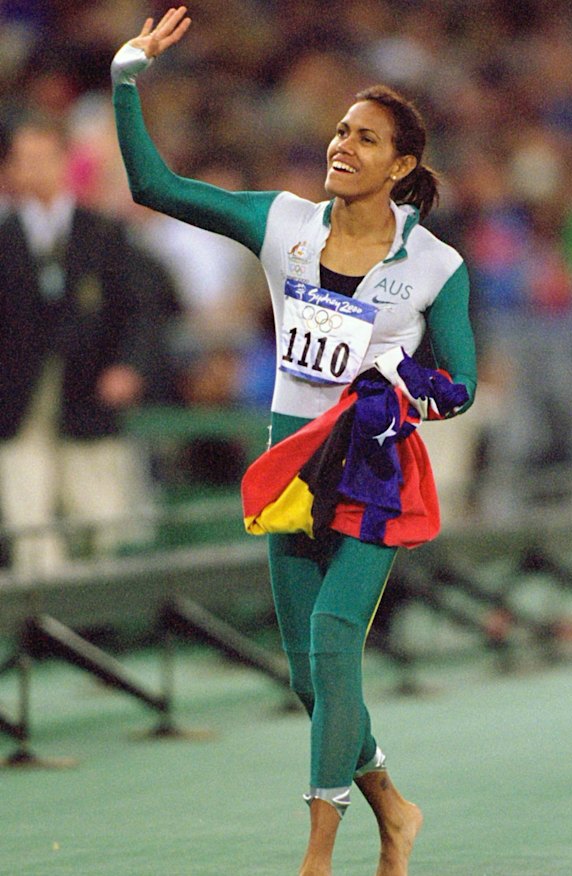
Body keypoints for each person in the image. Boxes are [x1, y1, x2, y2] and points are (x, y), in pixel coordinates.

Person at [111, 8, 477, 875]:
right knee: (313, 683)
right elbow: (156, 190)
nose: (342, 144)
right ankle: (393, 805)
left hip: (375, 470)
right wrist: (126, 81)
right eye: (341, 129)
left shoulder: (437, 268)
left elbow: (458, 383)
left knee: (335, 641)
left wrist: (402, 390)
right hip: (291, 467)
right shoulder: (282, 224)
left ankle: (317, 854)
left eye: (366, 137)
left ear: (403, 166)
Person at [0, 112, 160, 573]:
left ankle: (106, 628)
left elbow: (141, 311)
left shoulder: (103, 233)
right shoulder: (6, 240)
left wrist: (130, 366)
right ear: (10, 169)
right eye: (24, 160)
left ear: (65, 162)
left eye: (46, 158)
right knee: (29, 525)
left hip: (87, 400)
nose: (36, 170)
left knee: (103, 521)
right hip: (18, 409)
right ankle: (43, 624)